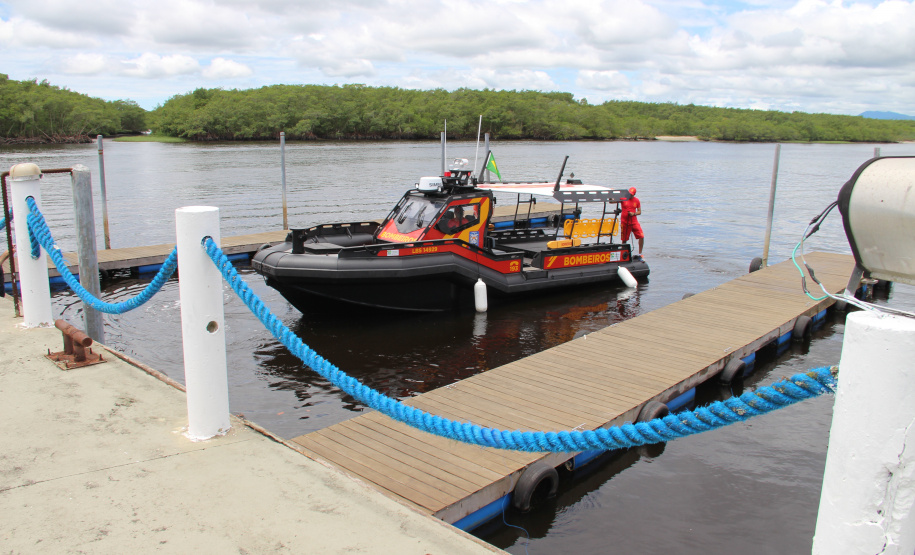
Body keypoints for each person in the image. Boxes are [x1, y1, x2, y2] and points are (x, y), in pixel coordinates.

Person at [620, 187, 644, 257]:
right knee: (624, 240)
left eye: (632, 194)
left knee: (641, 236)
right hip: (625, 222)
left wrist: (634, 213)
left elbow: (639, 211)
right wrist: (611, 195)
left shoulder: (637, 200)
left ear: (634, 194)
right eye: (629, 194)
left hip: (633, 221)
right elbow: (612, 202)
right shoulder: (623, 198)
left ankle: (640, 253)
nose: (630, 195)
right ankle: (623, 254)